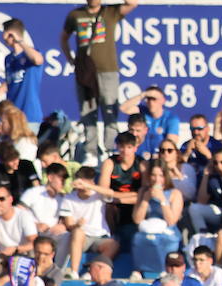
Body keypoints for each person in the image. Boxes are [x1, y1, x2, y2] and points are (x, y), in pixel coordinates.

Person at [62, 0, 138, 166]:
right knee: (88, 111)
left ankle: (110, 149)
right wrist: (71, 59)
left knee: (109, 109)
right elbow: (64, 38)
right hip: (85, 71)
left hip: (108, 69)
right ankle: (91, 152)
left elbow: (132, 3)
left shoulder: (109, 12)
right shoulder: (76, 15)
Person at [120, 86, 181, 158]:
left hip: (159, 155)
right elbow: (123, 108)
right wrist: (143, 95)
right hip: (140, 154)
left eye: (154, 99)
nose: (151, 102)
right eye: (148, 99)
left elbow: (171, 144)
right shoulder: (142, 111)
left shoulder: (171, 118)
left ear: (163, 100)